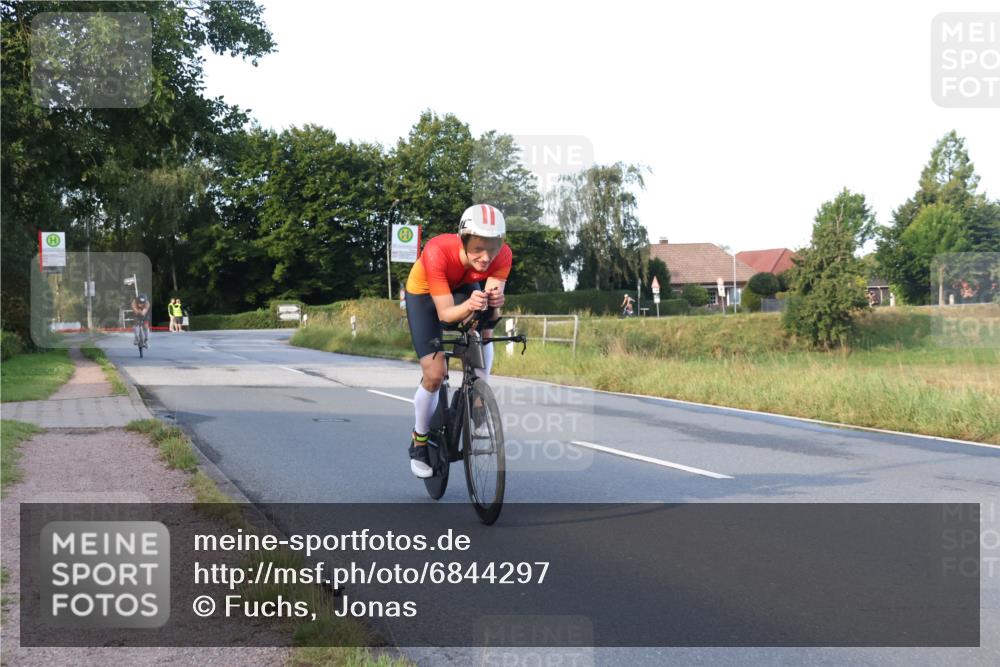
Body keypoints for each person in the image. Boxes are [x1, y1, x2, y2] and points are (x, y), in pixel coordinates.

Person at [404, 204, 511, 478]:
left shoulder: (503, 256)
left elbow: (491, 319)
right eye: (477, 249)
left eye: (492, 249)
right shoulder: (437, 251)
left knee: (482, 330)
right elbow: (446, 315)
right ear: (463, 241)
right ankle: (419, 442)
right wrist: (470, 307)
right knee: (435, 374)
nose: (485, 258)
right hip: (425, 296)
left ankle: (478, 399)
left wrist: (494, 305)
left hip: (462, 286)